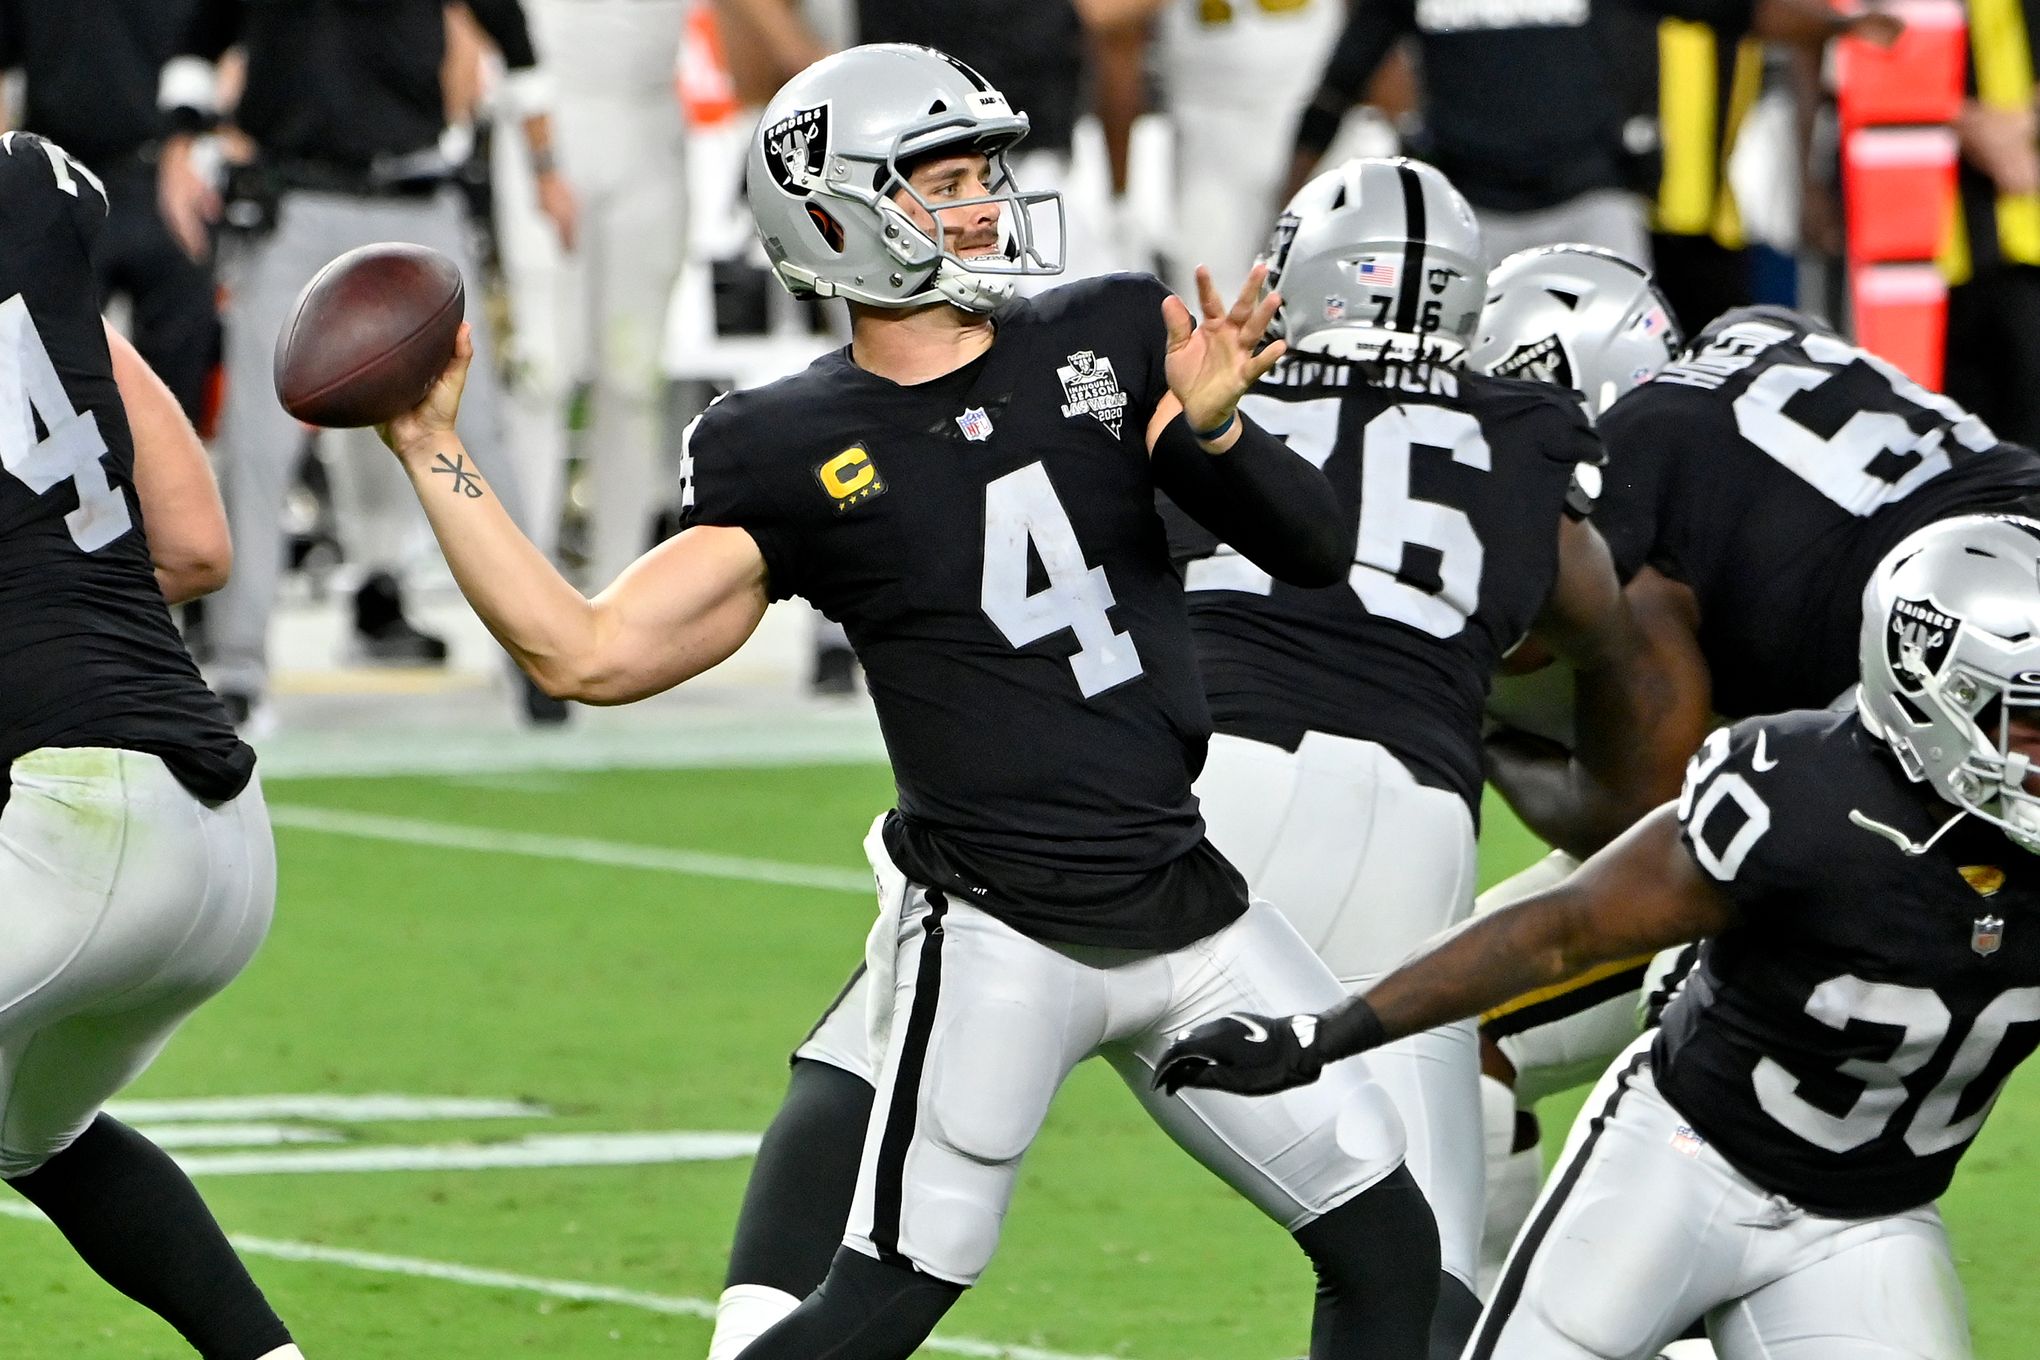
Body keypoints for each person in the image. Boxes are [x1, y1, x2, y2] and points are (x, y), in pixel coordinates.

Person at [373, 42, 1442, 1360]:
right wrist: (432, 449)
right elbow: (588, 654)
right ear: (836, 215)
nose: (987, 201)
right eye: (943, 177)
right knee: (888, 1299)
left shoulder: (1105, 335)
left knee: (1388, 1247)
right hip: (1003, 937)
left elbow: (1315, 549)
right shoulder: (786, 444)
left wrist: (1220, 431)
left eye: (985, 169)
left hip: (1187, 901)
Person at [1159, 510, 2040, 1359]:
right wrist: (1329, 1032)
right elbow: (1565, 930)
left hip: (1868, 1225)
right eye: (2030, 717)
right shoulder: (1803, 800)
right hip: (1683, 1164)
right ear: (1932, 689)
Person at [1462, 246, 2040, 1287]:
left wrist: (1478, 726)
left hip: (1990, 726)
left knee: (1481, 1025)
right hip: (2005, 627)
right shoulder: (1767, 337)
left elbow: (1651, 821)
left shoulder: (1631, 462)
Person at [0, 131, 298, 1360]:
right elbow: (193, 545)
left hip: (77, 822)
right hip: (221, 832)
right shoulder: (34, 204)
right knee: (35, 1138)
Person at [158, 0, 574, 726]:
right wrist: (180, 149)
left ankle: (540, 652)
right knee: (259, 443)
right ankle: (238, 666)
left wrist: (543, 167)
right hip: (290, 201)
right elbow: (196, 46)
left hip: (415, 202)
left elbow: (515, 41)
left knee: (478, 439)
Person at [0, 0, 219, 424]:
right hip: (59, 181)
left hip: (167, 181)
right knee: (45, 391)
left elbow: (226, 39)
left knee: (176, 402)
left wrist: (198, 147)